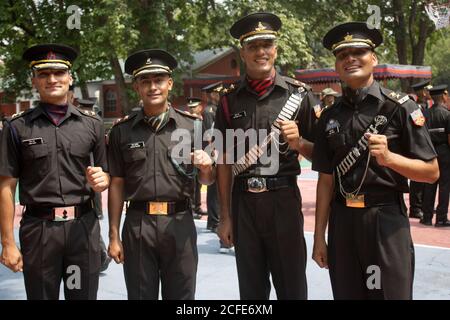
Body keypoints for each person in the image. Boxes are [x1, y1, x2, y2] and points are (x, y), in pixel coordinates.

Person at [312, 22, 439, 300]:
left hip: (384, 221)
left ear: (374, 58)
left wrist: (391, 159)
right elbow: (325, 180)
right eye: (342, 55)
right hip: (343, 221)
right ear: (336, 65)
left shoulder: (400, 108)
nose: (350, 59)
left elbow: (431, 172)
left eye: (358, 51)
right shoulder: (330, 117)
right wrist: (319, 236)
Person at [215, 12, 318, 299]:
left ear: (275, 49)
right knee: (251, 291)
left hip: (283, 200)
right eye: (253, 46)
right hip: (243, 204)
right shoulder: (228, 99)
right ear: (243, 52)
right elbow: (223, 161)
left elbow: (323, 154)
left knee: (292, 287)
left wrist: (299, 144)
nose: (261, 51)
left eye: (267, 44)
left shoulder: (299, 95)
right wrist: (225, 216)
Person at [0, 43, 110, 300]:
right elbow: (6, 186)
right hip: (39, 231)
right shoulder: (17, 128)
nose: (52, 79)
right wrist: (7, 243)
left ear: (70, 78)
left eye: (59, 73)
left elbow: (106, 175)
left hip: (82, 229)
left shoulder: (92, 125)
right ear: (34, 80)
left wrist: (103, 180)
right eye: (43, 74)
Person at [107, 49, 215, 300]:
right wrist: (113, 234)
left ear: (170, 83)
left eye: (158, 80)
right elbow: (117, 184)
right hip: (137, 225)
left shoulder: (192, 126)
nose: (153, 87)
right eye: (145, 81)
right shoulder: (121, 131)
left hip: (179, 223)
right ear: (136, 86)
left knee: (182, 298)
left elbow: (206, 180)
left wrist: (207, 168)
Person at [77, 98, 112, 271]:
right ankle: (100, 256)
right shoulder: (94, 121)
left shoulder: (86, 122)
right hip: (91, 181)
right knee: (94, 219)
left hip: (87, 180)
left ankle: (101, 256)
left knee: (92, 221)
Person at [201, 82, 231, 253]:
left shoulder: (224, 107)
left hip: (228, 154)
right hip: (215, 152)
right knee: (216, 191)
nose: (218, 96)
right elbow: (209, 135)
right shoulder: (209, 111)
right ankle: (215, 223)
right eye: (216, 93)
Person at [420, 85, 450, 227]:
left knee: (429, 184)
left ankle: (426, 217)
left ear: (431, 96)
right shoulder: (447, 114)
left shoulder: (425, 114)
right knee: (444, 186)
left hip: (429, 152)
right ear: (444, 96)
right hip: (444, 152)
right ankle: (441, 218)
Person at [408, 80, 433, 219]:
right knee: (417, 180)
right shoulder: (415, 107)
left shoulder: (425, 106)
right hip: (417, 146)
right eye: (426, 90)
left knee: (423, 180)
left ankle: (422, 205)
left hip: (424, 145)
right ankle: (415, 208)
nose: (428, 93)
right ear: (422, 92)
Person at [186, 97, 208, 220]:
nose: (192, 109)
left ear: (200, 107)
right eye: (190, 108)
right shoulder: (187, 121)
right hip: (190, 156)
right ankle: (192, 207)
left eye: (194, 107)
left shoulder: (200, 120)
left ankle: (197, 206)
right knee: (192, 183)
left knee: (198, 183)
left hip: (201, 155)